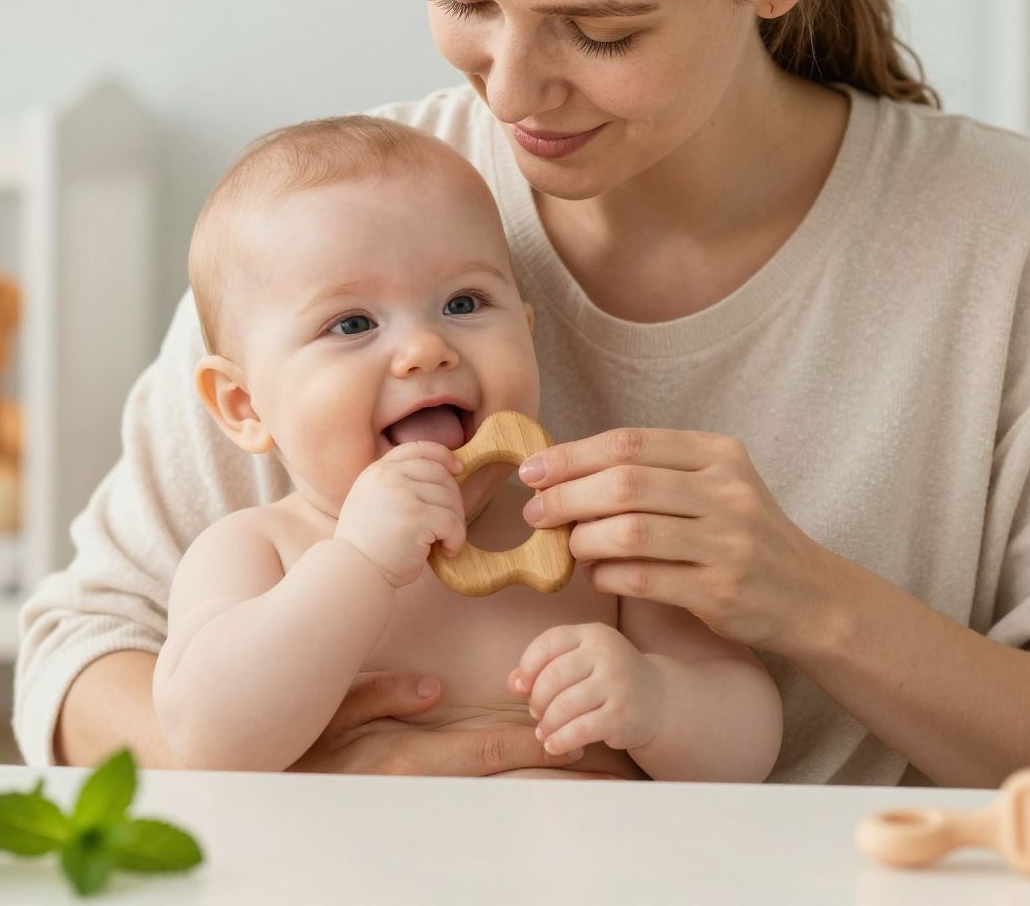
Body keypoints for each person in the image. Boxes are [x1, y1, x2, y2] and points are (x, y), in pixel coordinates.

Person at [16, 0, 1030, 788]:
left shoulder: (1001, 232)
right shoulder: (352, 222)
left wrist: (811, 603)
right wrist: (327, 769)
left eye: (600, 32)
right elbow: (76, 658)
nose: (505, 90)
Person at [154, 115, 780, 780]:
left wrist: (657, 703)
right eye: (353, 323)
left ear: (527, 331)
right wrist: (358, 562)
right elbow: (209, 744)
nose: (426, 349)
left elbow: (748, 748)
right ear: (243, 406)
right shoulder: (258, 552)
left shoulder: (594, 531)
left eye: (463, 303)